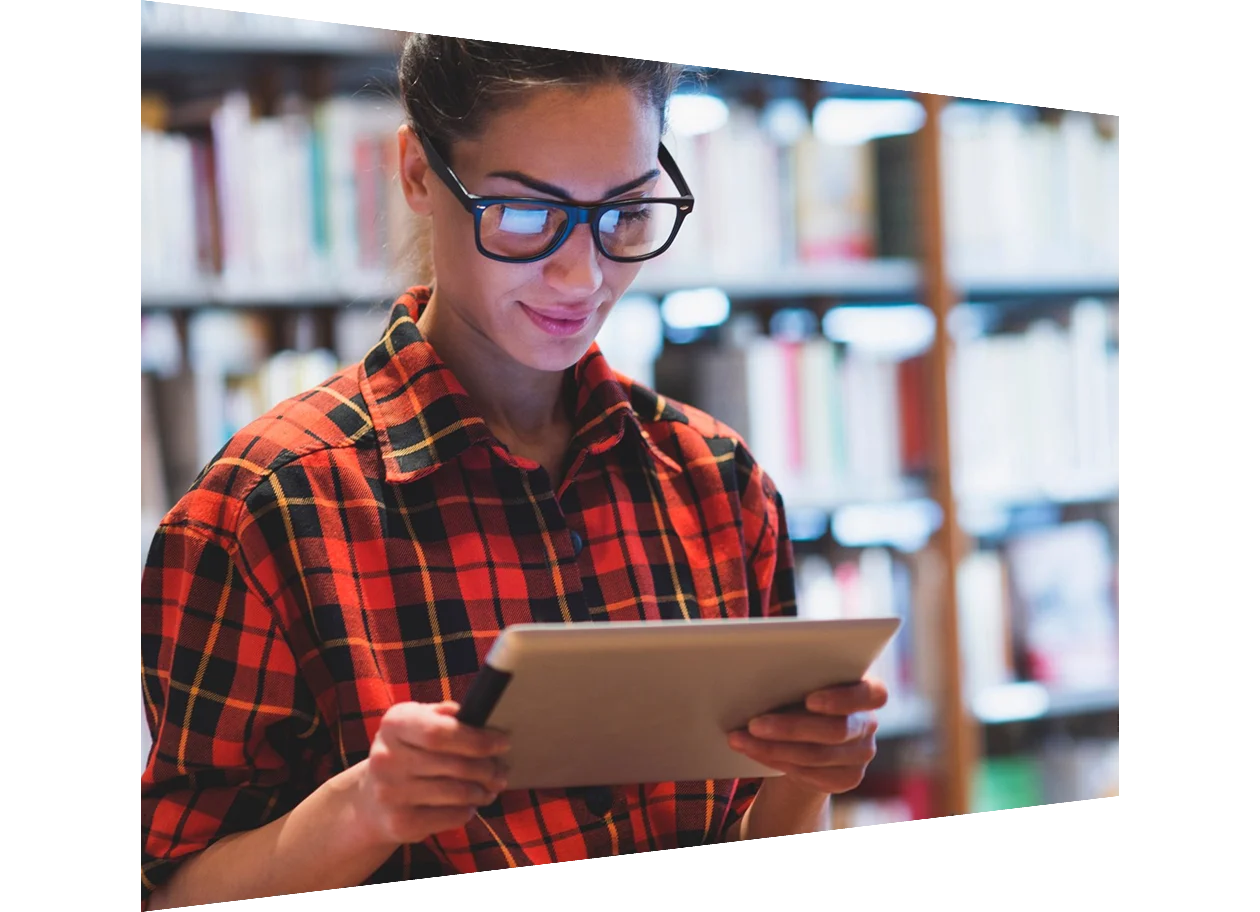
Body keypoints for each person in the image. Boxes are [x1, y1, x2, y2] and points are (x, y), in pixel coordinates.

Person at [136, 35, 888, 910]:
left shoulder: (716, 482)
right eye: (528, 214)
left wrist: (807, 775)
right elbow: (177, 892)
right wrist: (364, 810)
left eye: (627, 213)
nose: (583, 273)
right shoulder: (269, 507)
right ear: (420, 174)